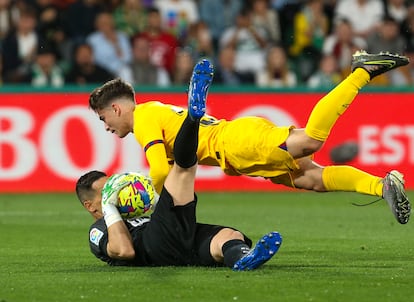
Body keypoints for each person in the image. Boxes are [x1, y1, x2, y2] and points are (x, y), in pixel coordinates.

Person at [88, 51, 412, 225]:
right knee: (311, 178)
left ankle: (361, 72)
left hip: (235, 142)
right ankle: (381, 186)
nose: (105, 126)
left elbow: (159, 171)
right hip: (234, 150)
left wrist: (152, 207)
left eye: (103, 118)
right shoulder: (155, 110)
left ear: (116, 108)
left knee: (310, 141)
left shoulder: (143, 117)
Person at [76, 64, 282, 269]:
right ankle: (192, 118)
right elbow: (125, 251)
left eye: (113, 188)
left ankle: (242, 258)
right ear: (90, 206)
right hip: (154, 244)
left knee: (228, 236)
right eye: (106, 193)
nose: (115, 194)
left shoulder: (135, 214)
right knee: (182, 169)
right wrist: (110, 208)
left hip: (177, 240)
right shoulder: (99, 230)